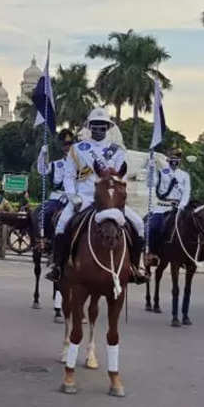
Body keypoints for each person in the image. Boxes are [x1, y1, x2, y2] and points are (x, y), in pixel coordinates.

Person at [46, 107, 147, 284]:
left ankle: (134, 267)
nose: (99, 130)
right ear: (89, 127)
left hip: (109, 200)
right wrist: (72, 196)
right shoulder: (76, 149)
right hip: (83, 197)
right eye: (95, 126)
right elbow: (69, 176)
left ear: (108, 128)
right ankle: (58, 267)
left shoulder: (117, 151)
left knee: (138, 224)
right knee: (61, 225)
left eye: (102, 127)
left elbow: (118, 177)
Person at [147, 146, 204, 261]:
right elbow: (150, 184)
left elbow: (187, 192)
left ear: (179, 160)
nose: (174, 161)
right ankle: (153, 253)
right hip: (162, 207)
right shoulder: (161, 172)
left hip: (179, 207)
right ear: (168, 159)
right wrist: (151, 168)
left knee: (197, 224)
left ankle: (201, 252)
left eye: (176, 159)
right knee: (153, 227)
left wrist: (182, 206)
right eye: (172, 158)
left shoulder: (184, 175)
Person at [37, 128, 74, 263]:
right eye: (65, 144)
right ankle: (46, 241)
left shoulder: (80, 164)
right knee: (44, 213)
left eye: (70, 144)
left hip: (74, 198)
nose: (67, 147)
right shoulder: (56, 164)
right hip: (58, 197)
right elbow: (42, 170)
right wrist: (43, 153)